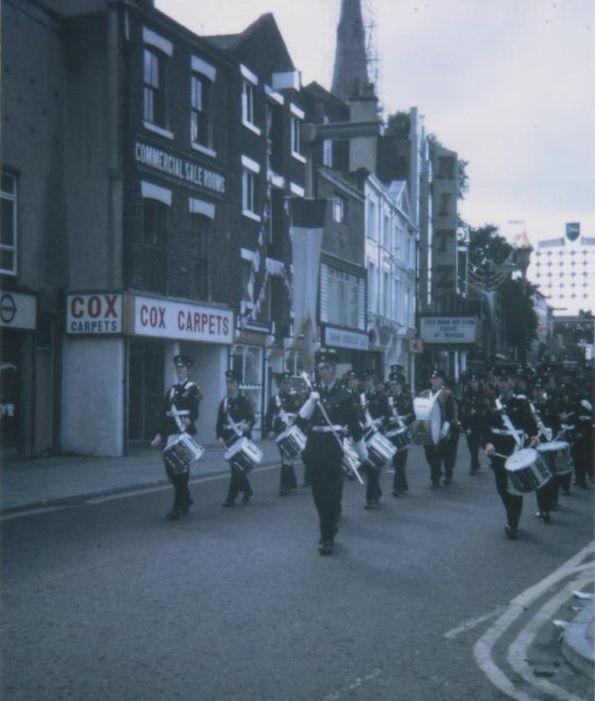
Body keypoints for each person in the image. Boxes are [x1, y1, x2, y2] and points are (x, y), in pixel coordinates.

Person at [296, 348, 368, 555]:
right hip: (314, 448)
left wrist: (362, 450)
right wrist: (310, 401)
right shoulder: (312, 393)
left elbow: (354, 425)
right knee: (318, 495)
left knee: (329, 493)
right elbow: (301, 421)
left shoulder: (344, 395)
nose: (322, 372)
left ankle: (326, 537)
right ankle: (329, 525)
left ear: (334, 371)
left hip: (332, 448)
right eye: (320, 368)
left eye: (326, 368)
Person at [480, 364, 541, 539]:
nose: (503, 384)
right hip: (497, 449)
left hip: (516, 448)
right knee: (502, 488)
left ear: (512, 382)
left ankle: (512, 522)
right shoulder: (491, 401)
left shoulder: (522, 402)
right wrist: (487, 444)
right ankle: (511, 514)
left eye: (506, 380)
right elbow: (484, 427)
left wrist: (534, 437)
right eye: (500, 381)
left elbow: (532, 426)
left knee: (514, 488)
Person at [150, 354, 202, 520]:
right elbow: (163, 414)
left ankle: (178, 507)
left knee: (181, 470)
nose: (179, 370)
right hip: (171, 434)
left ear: (188, 370)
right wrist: (159, 434)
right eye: (177, 368)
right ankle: (186, 498)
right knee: (170, 470)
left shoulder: (193, 388)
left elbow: (195, 410)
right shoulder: (171, 390)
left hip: (183, 434)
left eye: (182, 368)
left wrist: (189, 420)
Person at [216, 370, 256, 507]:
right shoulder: (224, 402)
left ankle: (231, 497)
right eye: (228, 382)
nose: (229, 385)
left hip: (241, 437)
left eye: (232, 382)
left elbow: (251, 419)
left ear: (238, 384)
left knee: (236, 468)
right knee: (236, 467)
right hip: (229, 438)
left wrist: (247, 426)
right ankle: (248, 490)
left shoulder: (244, 400)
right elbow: (219, 422)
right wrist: (219, 437)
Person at [264, 371, 305, 496]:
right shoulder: (274, 399)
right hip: (280, 432)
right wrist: (269, 430)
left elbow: (303, 414)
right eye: (285, 383)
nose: (288, 385)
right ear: (279, 385)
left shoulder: (297, 397)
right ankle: (292, 482)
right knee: (286, 457)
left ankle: (284, 485)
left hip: (293, 431)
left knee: (287, 458)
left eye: (289, 383)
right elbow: (269, 416)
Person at [357, 371, 391, 509]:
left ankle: (372, 497)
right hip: (365, 436)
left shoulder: (382, 396)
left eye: (370, 380)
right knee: (368, 467)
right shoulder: (360, 398)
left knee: (375, 467)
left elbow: (388, 415)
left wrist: (380, 422)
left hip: (377, 435)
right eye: (366, 381)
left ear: (373, 382)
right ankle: (374, 493)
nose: (368, 383)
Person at [422, 368, 458, 488]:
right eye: (433, 379)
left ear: (442, 381)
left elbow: (452, 413)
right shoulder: (425, 393)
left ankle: (442, 476)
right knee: (430, 454)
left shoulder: (447, 394)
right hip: (429, 429)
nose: (434, 381)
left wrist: (446, 429)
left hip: (443, 428)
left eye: (437, 379)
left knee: (445, 454)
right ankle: (436, 474)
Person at [385, 369, 415, 496]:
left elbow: (413, 415)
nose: (394, 387)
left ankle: (397, 488)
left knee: (399, 461)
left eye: (396, 384)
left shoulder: (407, 398)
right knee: (397, 461)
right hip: (391, 432)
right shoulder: (387, 398)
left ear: (401, 385)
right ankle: (403, 486)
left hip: (403, 432)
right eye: (392, 384)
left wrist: (404, 418)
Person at [460, 373, 488, 475]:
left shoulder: (482, 395)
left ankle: (474, 464)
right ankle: (475, 463)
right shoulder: (466, 396)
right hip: (469, 425)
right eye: (472, 382)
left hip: (480, 425)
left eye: (475, 382)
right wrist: (463, 424)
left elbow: (486, 409)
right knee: (471, 445)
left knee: (478, 444)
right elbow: (462, 410)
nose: (474, 384)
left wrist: (477, 413)